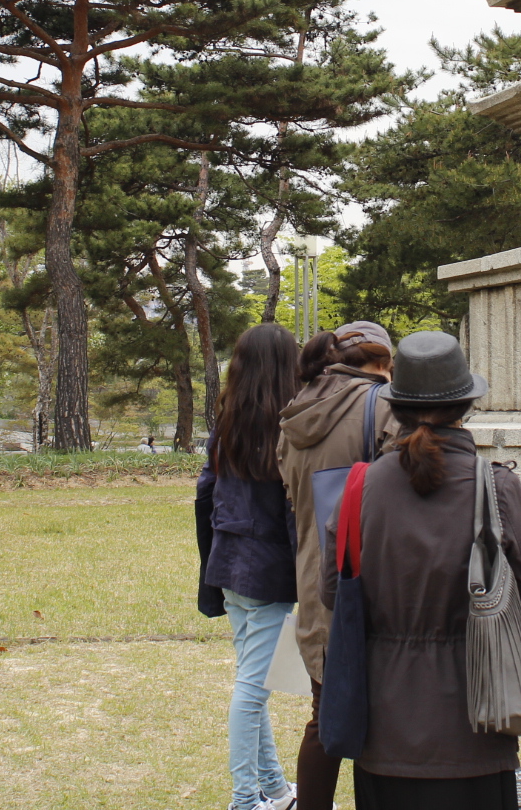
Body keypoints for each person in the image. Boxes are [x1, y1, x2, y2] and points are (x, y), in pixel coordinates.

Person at [324, 330, 521, 809]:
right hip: (480, 717)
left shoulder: (360, 488)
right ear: (465, 405)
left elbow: (331, 591)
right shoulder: (496, 486)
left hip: (384, 725)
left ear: (397, 406)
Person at [278, 321, 397, 810]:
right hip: (370, 582)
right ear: (384, 361)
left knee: (324, 716)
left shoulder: (296, 412)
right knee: (386, 717)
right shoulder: (384, 407)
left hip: (314, 577)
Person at [196, 323, 304, 810]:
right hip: (267, 570)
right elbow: (293, 510)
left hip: (229, 562)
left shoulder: (228, 420)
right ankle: (245, 799)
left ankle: (274, 788)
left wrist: (209, 560)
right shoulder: (289, 427)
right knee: (253, 689)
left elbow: (204, 494)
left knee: (251, 679)